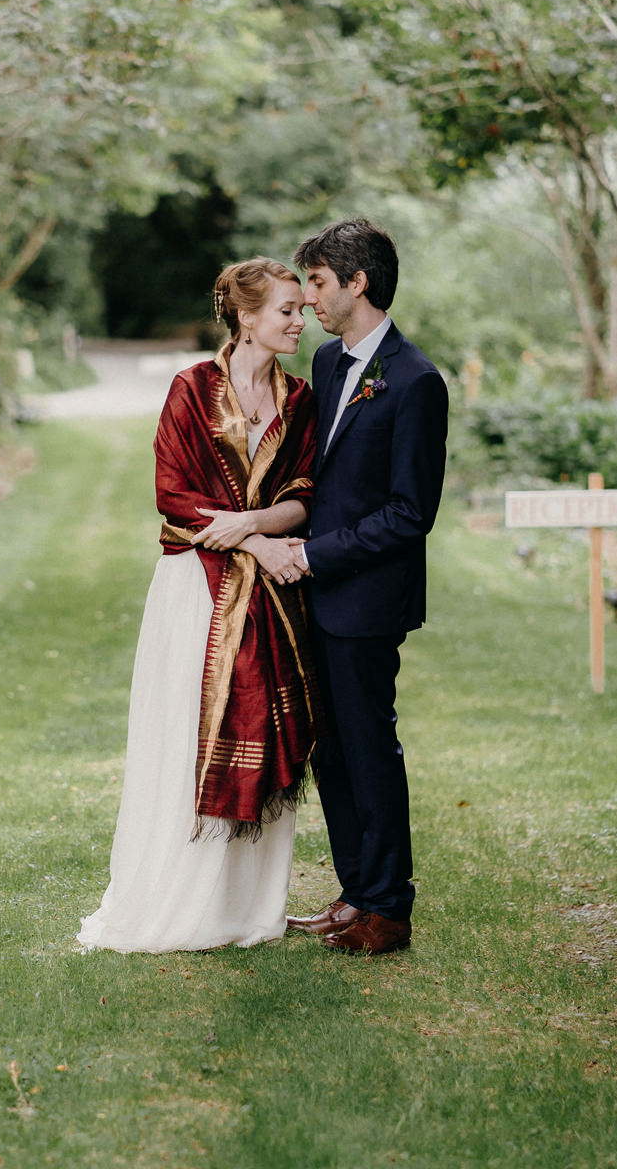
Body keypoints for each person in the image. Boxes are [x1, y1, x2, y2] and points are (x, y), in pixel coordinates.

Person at [77, 257, 322, 953]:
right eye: (286, 311)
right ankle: (179, 902)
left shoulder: (300, 399)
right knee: (184, 737)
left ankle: (248, 911)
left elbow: (303, 498)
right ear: (246, 316)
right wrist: (258, 542)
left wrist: (250, 530)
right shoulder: (191, 390)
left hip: (271, 592)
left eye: (302, 310)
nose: (300, 321)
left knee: (268, 734)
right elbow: (173, 496)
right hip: (195, 593)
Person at [275, 218, 448, 957]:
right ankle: (354, 894)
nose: (308, 298)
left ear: (358, 283)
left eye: (317, 283)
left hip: (369, 600)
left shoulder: (415, 381)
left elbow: (411, 514)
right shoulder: (328, 364)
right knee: (332, 752)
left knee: (371, 748)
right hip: (317, 597)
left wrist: (313, 555)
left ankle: (389, 909)